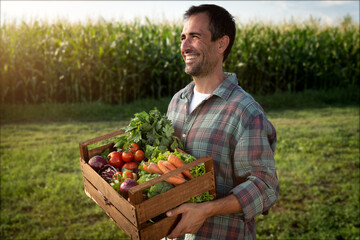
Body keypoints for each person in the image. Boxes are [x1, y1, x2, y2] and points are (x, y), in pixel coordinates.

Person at [165, 4, 279, 240]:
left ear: (221, 44)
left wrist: (206, 210)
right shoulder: (177, 101)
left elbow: (265, 187)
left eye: (195, 37)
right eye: (183, 37)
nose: (185, 46)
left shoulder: (244, 111)